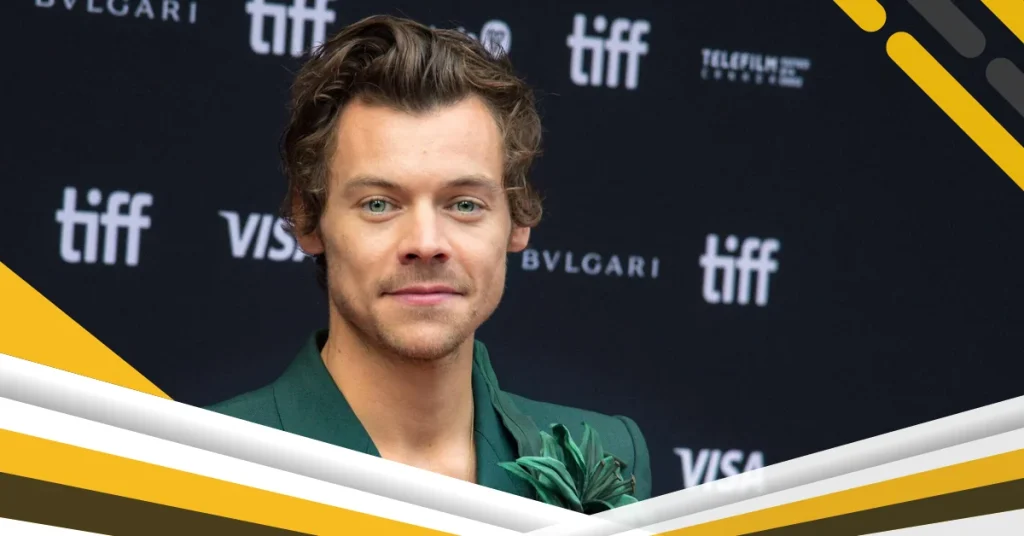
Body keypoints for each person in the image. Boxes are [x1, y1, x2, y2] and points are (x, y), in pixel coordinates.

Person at [207, 13, 652, 504]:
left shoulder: (606, 456)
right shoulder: (206, 461)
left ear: (518, 219)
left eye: (465, 204)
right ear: (308, 219)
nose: (425, 242)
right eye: (379, 204)